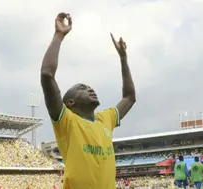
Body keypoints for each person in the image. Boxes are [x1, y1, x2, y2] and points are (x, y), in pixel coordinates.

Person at [40, 12, 136, 189]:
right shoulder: (66, 122)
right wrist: (59, 35)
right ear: (70, 103)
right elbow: (47, 75)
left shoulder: (105, 120)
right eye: (82, 88)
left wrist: (123, 59)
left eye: (89, 87)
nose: (90, 89)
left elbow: (129, 97)